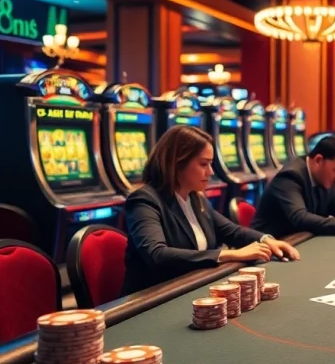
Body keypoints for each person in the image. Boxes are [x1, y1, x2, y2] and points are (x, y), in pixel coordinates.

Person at [123, 126, 300, 296]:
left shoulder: (195, 198)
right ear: (177, 164)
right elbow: (158, 254)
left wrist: (267, 240)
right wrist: (229, 255)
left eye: (211, 164)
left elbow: (231, 230)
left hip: (191, 286)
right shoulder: (145, 200)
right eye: (203, 164)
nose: (210, 172)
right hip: (153, 300)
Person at [253, 135, 335, 236]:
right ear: (318, 160)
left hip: (298, 240)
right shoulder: (290, 176)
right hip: (269, 248)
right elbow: (300, 218)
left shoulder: (322, 176)